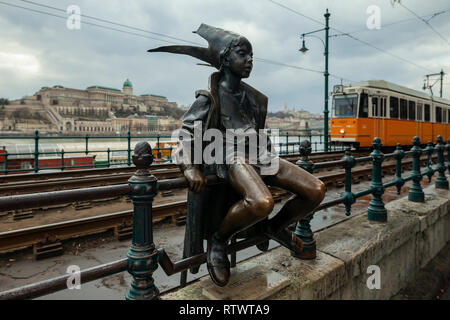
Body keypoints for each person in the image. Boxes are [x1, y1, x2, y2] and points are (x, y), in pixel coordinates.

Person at [148, 24, 325, 287]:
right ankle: (218, 241)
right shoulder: (210, 97)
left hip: (259, 153)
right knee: (261, 202)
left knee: (316, 189)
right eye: (243, 54)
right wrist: (188, 167)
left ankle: (272, 228)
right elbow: (186, 134)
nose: (250, 60)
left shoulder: (254, 99)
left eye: (251, 55)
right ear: (225, 59)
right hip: (228, 157)